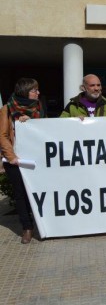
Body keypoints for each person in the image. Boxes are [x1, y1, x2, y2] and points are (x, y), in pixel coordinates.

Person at [0, 78, 47, 244]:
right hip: (15, 161)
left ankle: (43, 223)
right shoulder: (7, 109)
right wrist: (12, 157)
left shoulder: (39, 107)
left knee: (37, 193)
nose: (38, 93)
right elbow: (3, 135)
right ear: (25, 91)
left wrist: (32, 123)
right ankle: (27, 227)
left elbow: (45, 130)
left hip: (36, 159)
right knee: (21, 194)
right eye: (35, 90)